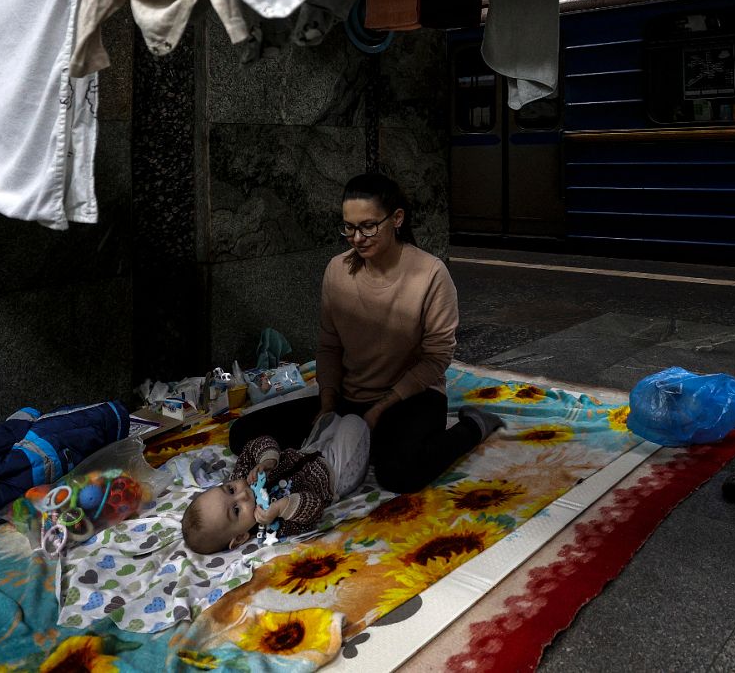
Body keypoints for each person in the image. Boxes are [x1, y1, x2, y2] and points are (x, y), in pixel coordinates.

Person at [227, 172, 502, 495]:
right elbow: (329, 346)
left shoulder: (429, 274)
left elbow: (437, 357)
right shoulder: (337, 270)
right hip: (350, 398)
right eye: (349, 228)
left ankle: (474, 426)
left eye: (368, 226)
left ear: (397, 219)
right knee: (242, 433)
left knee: (399, 474)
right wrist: (327, 404)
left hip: (412, 398)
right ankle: (360, 441)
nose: (358, 238)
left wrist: (382, 407)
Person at [182, 412, 369, 554]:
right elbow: (315, 507)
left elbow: (256, 444)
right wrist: (281, 508)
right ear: (240, 537)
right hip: (334, 474)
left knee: (330, 418)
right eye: (237, 510)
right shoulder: (273, 527)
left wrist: (267, 460)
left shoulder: (243, 474)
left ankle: (331, 431)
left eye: (230, 489)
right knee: (354, 422)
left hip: (308, 451)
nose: (243, 494)